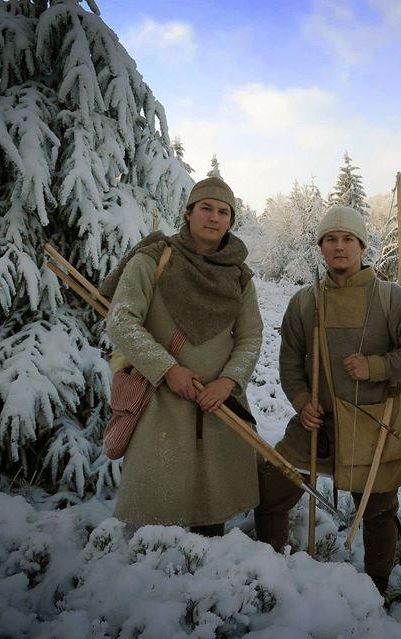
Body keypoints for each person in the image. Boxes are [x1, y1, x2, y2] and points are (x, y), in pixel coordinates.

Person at [255, 205, 401, 596]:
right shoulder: (305, 303)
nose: (339, 247)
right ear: (321, 248)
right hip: (317, 424)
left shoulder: (391, 299)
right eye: (330, 240)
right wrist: (303, 400)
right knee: (271, 490)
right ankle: (271, 580)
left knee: (378, 512)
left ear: (362, 246)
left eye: (347, 239)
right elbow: (289, 362)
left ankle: (376, 590)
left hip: (375, 424)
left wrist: (375, 366)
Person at [106, 176, 263, 537]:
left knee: (212, 510)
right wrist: (167, 369)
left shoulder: (238, 276)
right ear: (189, 213)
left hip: (217, 408)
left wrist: (228, 382)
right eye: (206, 208)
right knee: (156, 514)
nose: (214, 217)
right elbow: (121, 321)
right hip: (159, 403)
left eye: (224, 212)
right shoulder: (153, 260)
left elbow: (251, 336)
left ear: (230, 221)